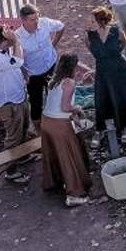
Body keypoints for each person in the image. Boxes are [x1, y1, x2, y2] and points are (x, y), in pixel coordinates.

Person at [37, 52, 93, 207]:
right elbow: (65, 107)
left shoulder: (55, 80)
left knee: (55, 154)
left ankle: (55, 181)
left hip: (46, 121)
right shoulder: (69, 83)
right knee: (69, 156)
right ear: (72, 67)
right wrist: (78, 109)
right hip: (58, 125)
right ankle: (74, 194)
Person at [86, 7, 126, 143]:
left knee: (123, 95)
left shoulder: (116, 31)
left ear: (102, 22)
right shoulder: (88, 35)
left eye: (93, 21)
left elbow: (124, 43)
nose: (89, 24)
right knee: (102, 98)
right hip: (102, 69)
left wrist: (114, 54)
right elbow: (91, 49)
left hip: (119, 68)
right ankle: (101, 129)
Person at [15, 4, 66, 124]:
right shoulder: (17, 37)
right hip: (34, 74)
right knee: (36, 102)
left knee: (55, 94)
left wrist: (53, 43)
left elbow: (61, 27)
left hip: (51, 66)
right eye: (32, 20)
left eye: (37, 18)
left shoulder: (45, 23)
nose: (37, 22)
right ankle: (38, 128)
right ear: (23, 20)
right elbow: (17, 60)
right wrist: (25, 75)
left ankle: (57, 120)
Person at [0, 27, 32, 149]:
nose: (14, 37)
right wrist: (15, 41)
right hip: (10, 103)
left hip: (19, 97)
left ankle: (24, 155)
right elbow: (18, 62)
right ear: (4, 41)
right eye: (10, 37)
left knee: (24, 128)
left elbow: (17, 63)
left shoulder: (5, 49)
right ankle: (11, 163)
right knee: (14, 136)